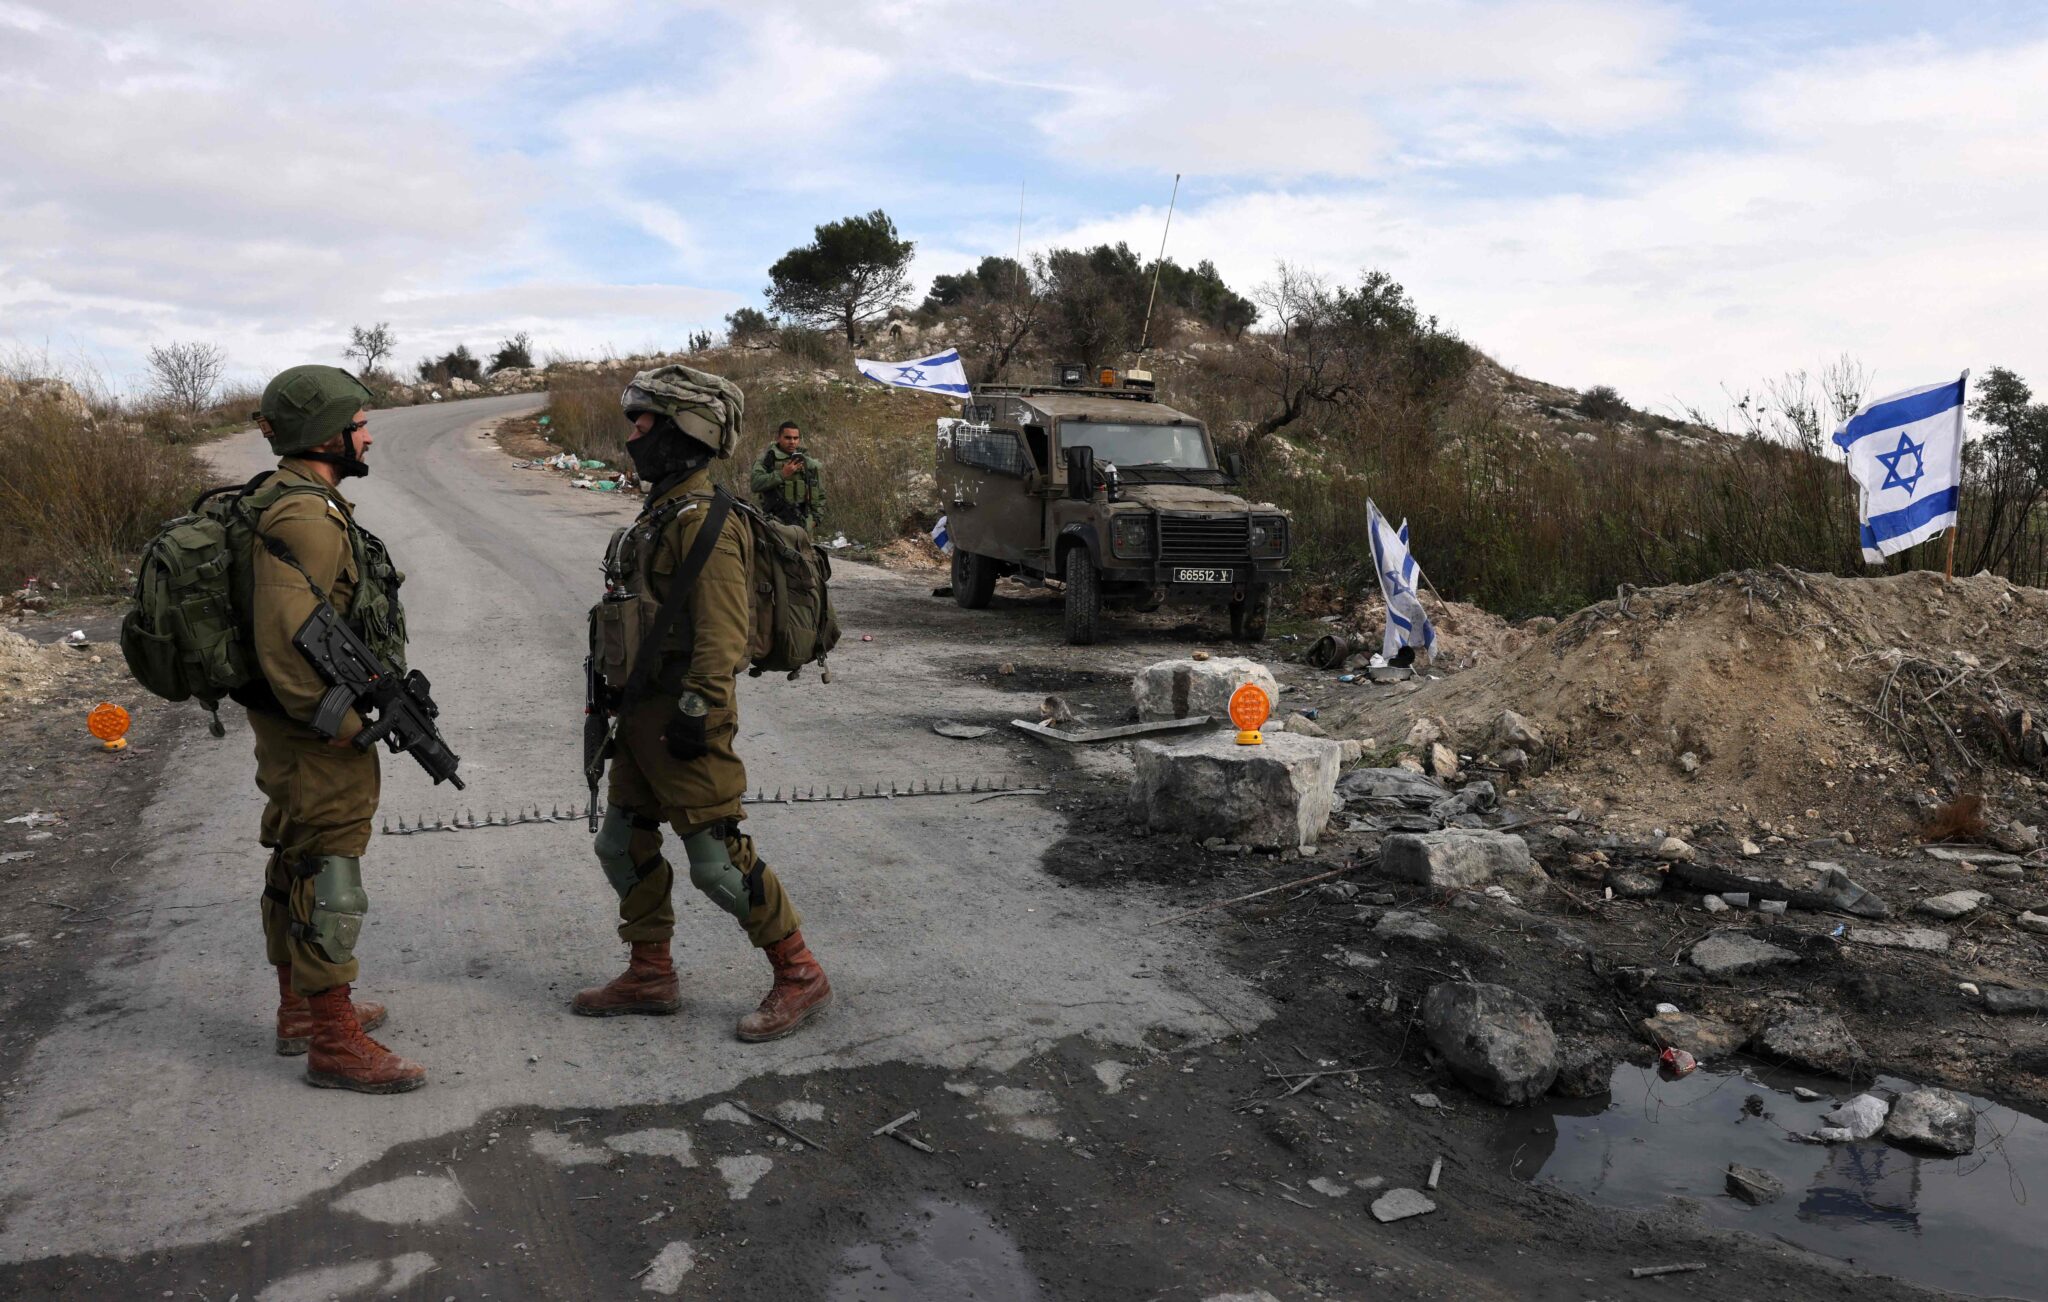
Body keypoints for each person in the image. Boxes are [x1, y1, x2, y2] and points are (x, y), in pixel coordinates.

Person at [574, 365, 833, 1041]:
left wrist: (697, 713)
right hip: (638, 716)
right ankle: (650, 973)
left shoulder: (707, 525)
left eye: (645, 421)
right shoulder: (661, 513)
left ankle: (799, 972)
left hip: (685, 718)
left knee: (717, 860)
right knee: (621, 845)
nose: (634, 434)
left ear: (686, 429)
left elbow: (722, 638)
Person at [238, 365, 424, 1093]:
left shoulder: (286, 499)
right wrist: (344, 725)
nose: (368, 434)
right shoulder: (305, 517)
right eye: (359, 423)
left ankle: (300, 1012)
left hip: (292, 719)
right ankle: (335, 1042)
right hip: (310, 724)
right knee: (327, 863)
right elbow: (288, 640)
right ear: (327, 434)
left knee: (296, 850)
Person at [749, 420, 825, 531]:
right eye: (788, 438)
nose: (792, 442)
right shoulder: (767, 459)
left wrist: (815, 521)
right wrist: (782, 474)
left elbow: (820, 493)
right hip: (774, 523)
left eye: (795, 438)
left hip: (803, 523)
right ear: (779, 438)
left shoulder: (807, 461)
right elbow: (755, 484)